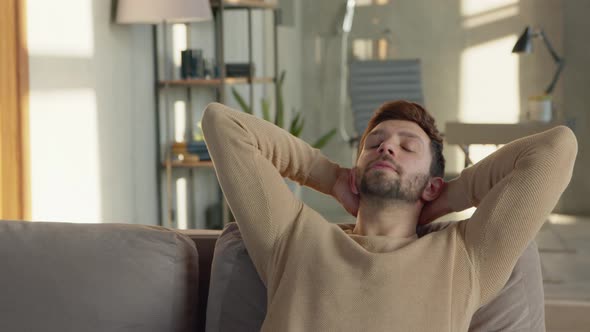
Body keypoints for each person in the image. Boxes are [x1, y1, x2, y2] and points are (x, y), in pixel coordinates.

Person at [202, 100, 577, 331]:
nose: (387, 149)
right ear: (355, 172)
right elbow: (222, 123)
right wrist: (332, 179)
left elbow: (556, 148)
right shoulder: (291, 236)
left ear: (431, 184)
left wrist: (449, 196)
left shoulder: (465, 258)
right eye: (375, 144)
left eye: (406, 146)